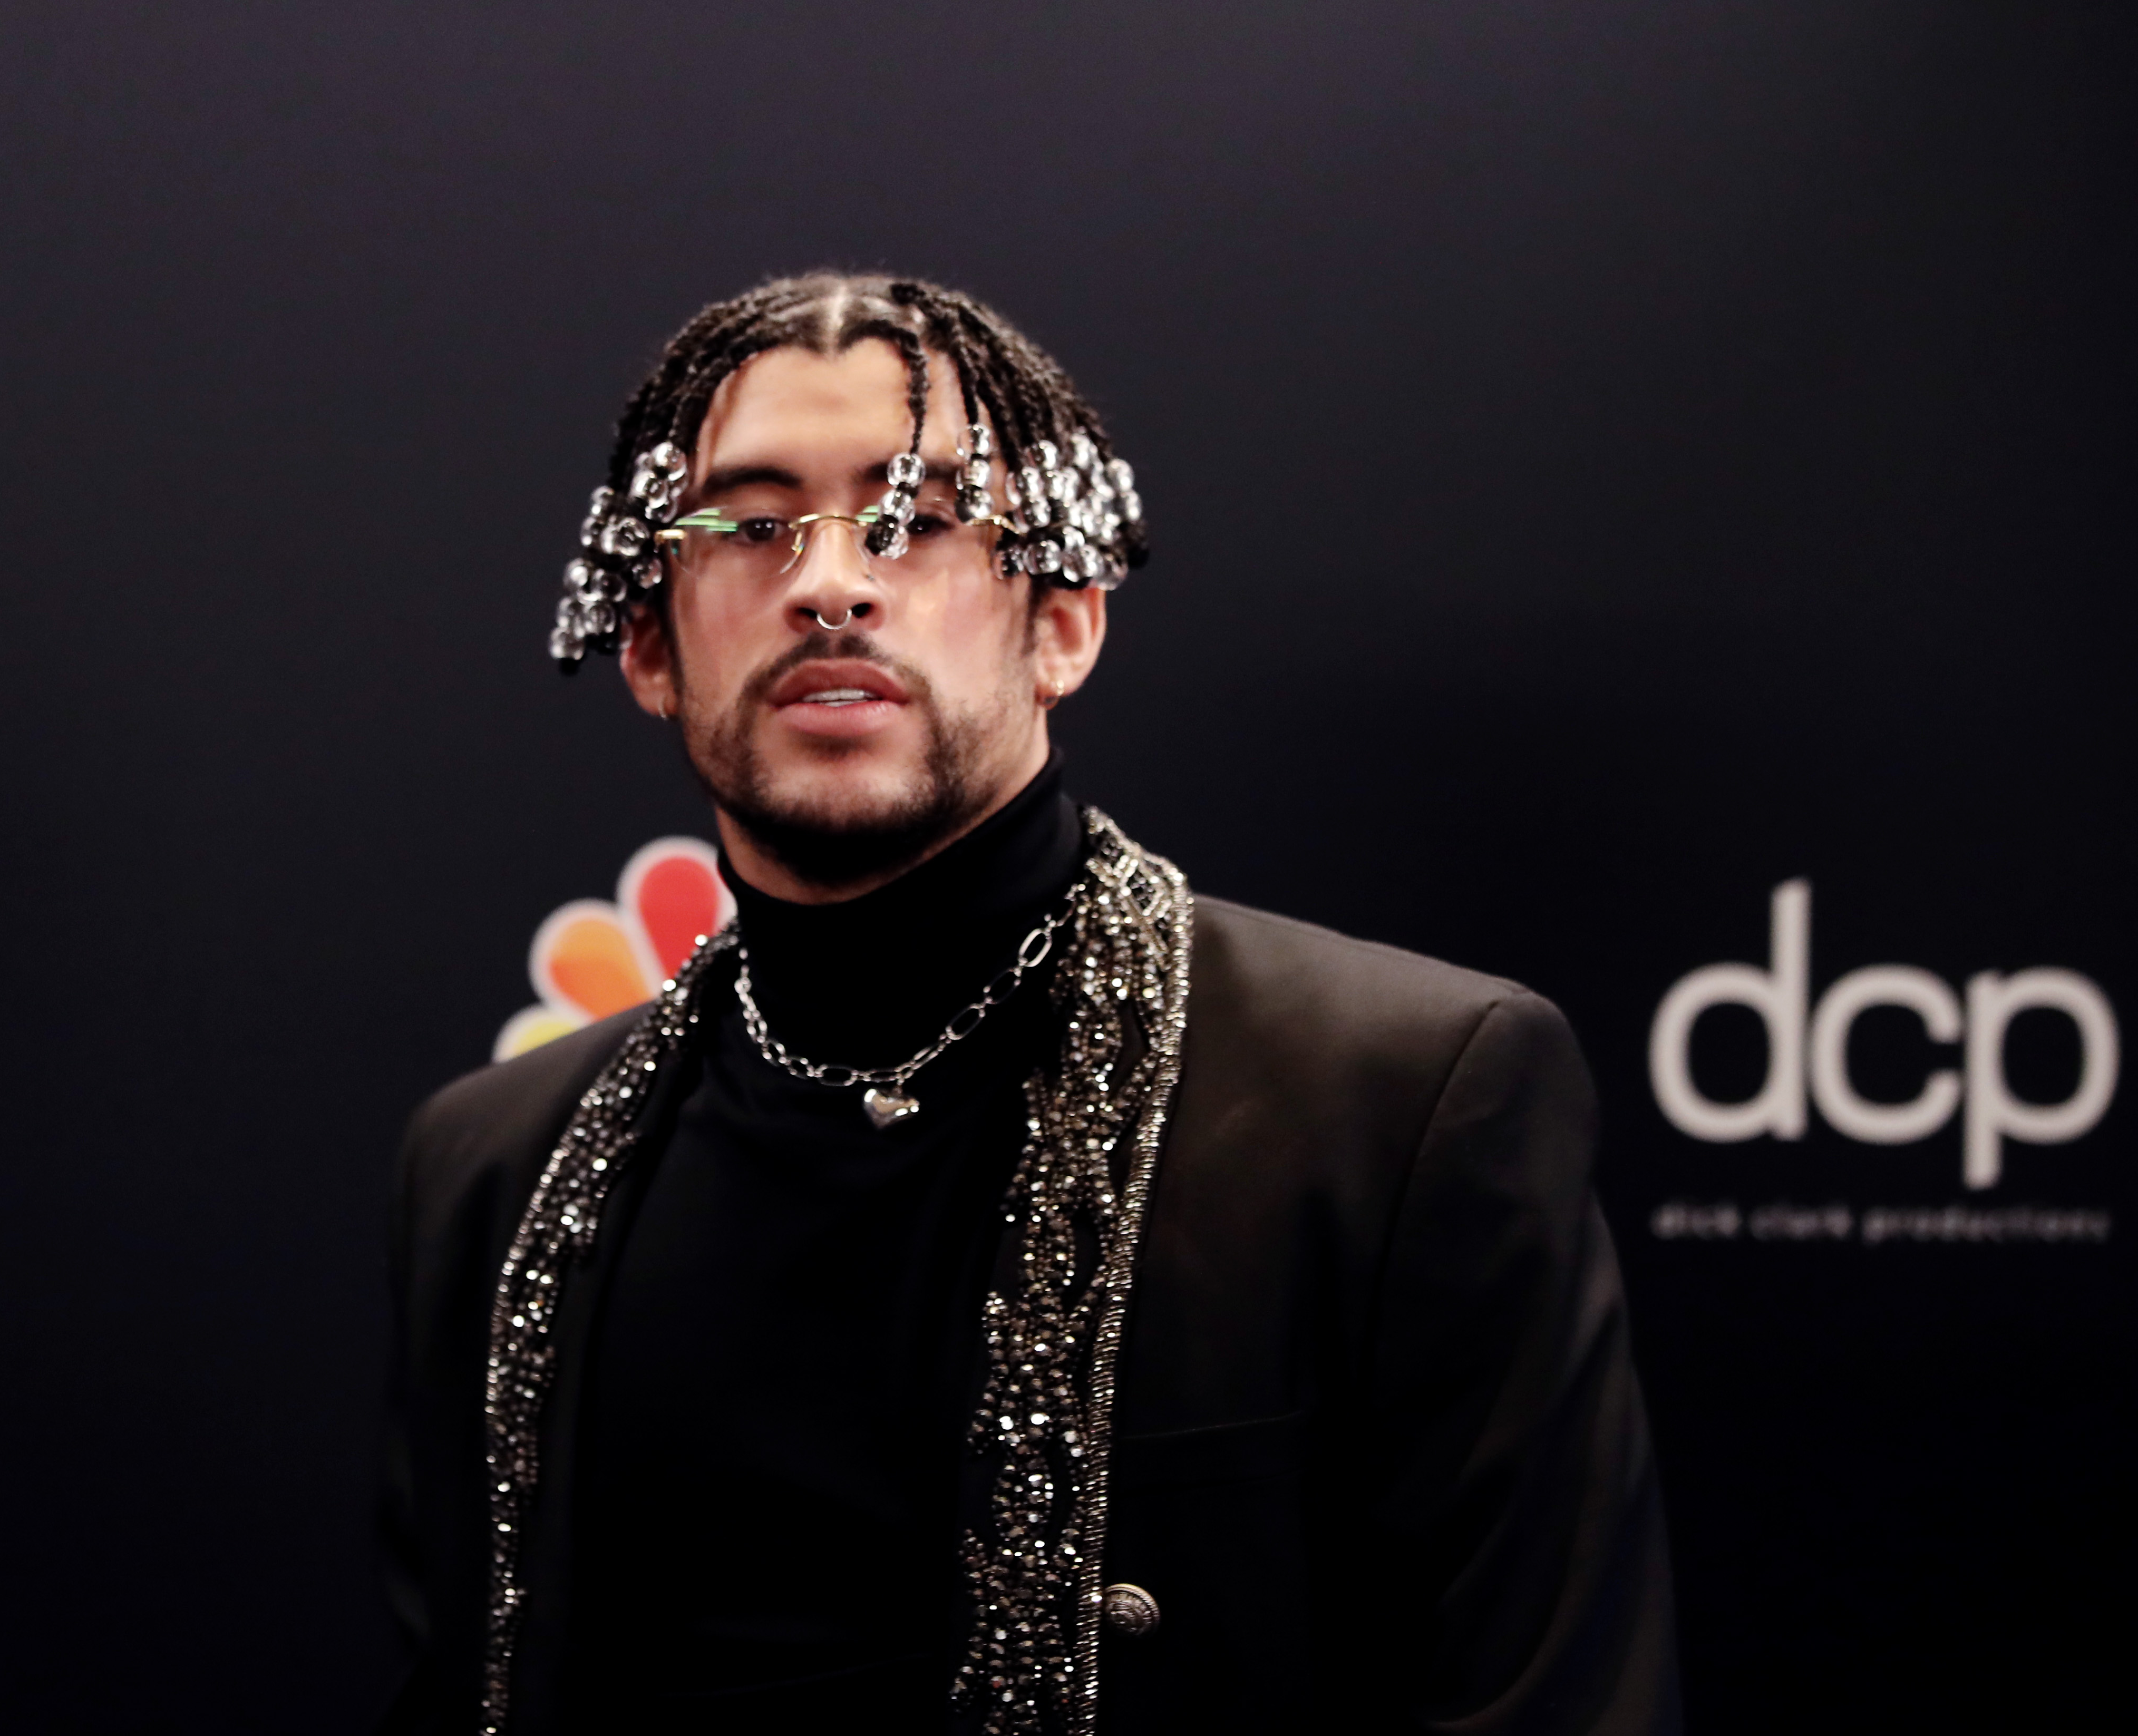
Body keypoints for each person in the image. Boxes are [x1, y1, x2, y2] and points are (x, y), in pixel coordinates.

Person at [380, 274, 1678, 1735]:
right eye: (748, 526)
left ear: (1061, 624)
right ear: (650, 649)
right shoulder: (491, 1173)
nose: (828, 578)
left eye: (918, 517)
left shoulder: (1398, 1104)